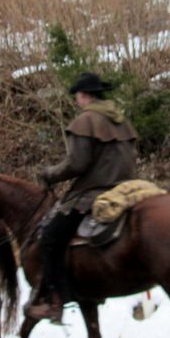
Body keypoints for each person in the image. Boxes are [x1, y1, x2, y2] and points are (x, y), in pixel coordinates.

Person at [27, 72, 138, 323]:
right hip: (127, 189)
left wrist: (50, 174)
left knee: (50, 238)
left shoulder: (86, 120)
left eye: (77, 96)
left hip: (93, 193)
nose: (77, 100)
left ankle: (56, 300)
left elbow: (77, 164)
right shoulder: (121, 120)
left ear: (84, 95)